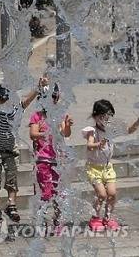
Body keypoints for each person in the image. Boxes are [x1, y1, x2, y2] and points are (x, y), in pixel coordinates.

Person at [0, 71, 39, 224]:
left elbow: (27, 101)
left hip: (10, 150)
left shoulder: (16, 111)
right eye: (1, 99)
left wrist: (38, 88)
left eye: (6, 99)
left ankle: (11, 204)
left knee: (12, 179)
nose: (4, 101)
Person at [82, 99, 139, 231]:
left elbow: (129, 130)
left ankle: (107, 217)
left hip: (107, 168)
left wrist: (137, 122)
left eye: (108, 116)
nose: (105, 119)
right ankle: (95, 217)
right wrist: (98, 144)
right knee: (102, 195)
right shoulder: (92, 131)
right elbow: (89, 146)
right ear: (95, 116)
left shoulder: (111, 129)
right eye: (102, 116)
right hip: (94, 168)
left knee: (112, 193)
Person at [29, 81, 73, 232]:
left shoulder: (59, 116)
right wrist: (45, 133)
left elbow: (65, 134)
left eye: (55, 97)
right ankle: (40, 219)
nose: (53, 100)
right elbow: (33, 134)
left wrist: (67, 125)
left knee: (59, 193)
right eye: (50, 97)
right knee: (45, 193)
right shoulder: (37, 116)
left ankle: (58, 219)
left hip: (57, 160)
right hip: (42, 160)